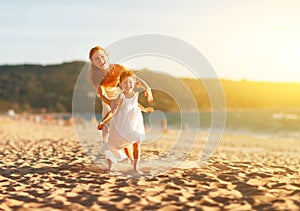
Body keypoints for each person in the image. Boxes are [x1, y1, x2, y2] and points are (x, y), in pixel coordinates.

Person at [88, 46, 153, 171]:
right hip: (108, 102)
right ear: (93, 62)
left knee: (125, 131)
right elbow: (102, 95)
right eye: (96, 59)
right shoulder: (95, 77)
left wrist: (148, 89)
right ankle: (110, 164)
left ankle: (130, 161)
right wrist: (112, 104)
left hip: (122, 98)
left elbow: (135, 79)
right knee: (107, 134)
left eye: (102, 56)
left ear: (107, 56)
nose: (101, 60)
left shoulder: (119, 68)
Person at [98, 71, 154, 171]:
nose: (128, 85)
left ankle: (135, 167)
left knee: (137, 142)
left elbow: (135, 104)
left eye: (130, 82)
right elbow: (112, 111)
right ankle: (125, 161)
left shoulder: (135, 94)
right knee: (125, 144)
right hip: (123, 122)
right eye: (125, 83)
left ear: (134, 83)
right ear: (120, 85)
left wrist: (144, 109)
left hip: (134, 121)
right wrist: (103, 122)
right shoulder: (121, 96)